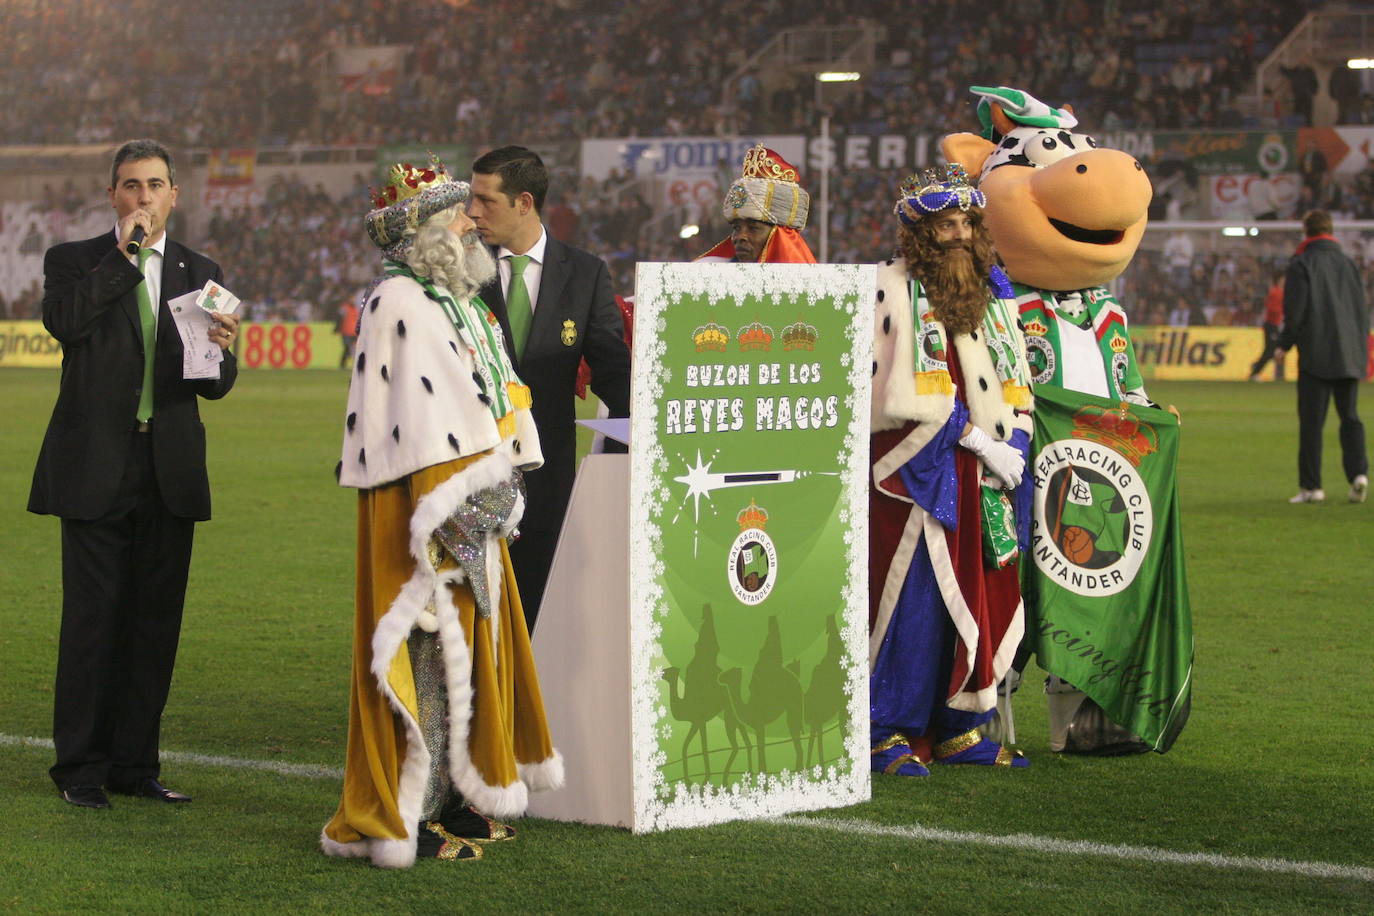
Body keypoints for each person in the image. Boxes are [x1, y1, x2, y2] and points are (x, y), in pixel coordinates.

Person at [322, 157, 562, 868]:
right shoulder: (400, 302)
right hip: (425, 516)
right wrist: (475, 502)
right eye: (457, 212)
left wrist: (502, 488)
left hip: (471, 505)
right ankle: (403, 814)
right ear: (425, 233)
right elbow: (424, 431)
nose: (471, 220)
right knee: (424, 662)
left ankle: (454, 797)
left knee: (469, 657)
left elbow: (494, 403)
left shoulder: (453, 300)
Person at [28, 139, 240, 809]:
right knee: (93, 622)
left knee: (154, 624)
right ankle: (81, 770)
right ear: (112, 195)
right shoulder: (75, 261)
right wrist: (123, 258)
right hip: (96, 466)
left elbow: (213, 385)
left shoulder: (200, 270)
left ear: (175, 194)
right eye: (129, 185)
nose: (142, 196)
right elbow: (64, 322)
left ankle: (134, 764)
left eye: (154, 185)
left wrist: (225, 349)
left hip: (168, 466)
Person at [868, 165, 1035, 776]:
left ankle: (959, 725)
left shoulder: (991, 293)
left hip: (986, 472)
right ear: (920, 234)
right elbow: (887, 396)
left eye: (968, 223)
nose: (961, 234)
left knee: (981, 594)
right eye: (947, 225)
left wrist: (1014, 437)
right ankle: (887, 729)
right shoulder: (888, 287)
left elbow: (1016, 378)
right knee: (912, 603)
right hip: (919, 472)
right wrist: (973, 439)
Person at [467, 146, 631, 629]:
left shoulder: (584, 272)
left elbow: (612, 370)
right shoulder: (459, 272)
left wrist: (648, 426)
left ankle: (525, 701)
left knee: (535, 600)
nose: (473, 212)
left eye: (485, 200)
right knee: (471, 600)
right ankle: (472, 700)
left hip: (546, 468)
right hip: (470, 464)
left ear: (523, 202)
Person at [1274, 210, 1370, 504]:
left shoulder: (1302, 263)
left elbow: (1296, 311)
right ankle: (1358, 475)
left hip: (1317, 354)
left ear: (1306, 231)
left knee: (1312, 423)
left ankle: (1312, 487)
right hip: (1350, 352)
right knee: (1350, 417)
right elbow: (1361, 309)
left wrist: (1284, 344)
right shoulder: (1349, 264)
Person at [698, 144, 816, 264]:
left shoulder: (806, 281)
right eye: (736, 228)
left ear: (781, 235)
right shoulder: (710, 272)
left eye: (753, 228)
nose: (740, 237)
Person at [1249, 269, 1287, 381]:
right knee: (1270, 350)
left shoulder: (1281, 292)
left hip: (1277, 325)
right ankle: (1255, 371)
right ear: (1279, 280)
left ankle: (1263, 369)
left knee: (1275, 349)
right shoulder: (1275, 292)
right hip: (1272, 325)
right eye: (1284, 279)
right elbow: (1271, 308)